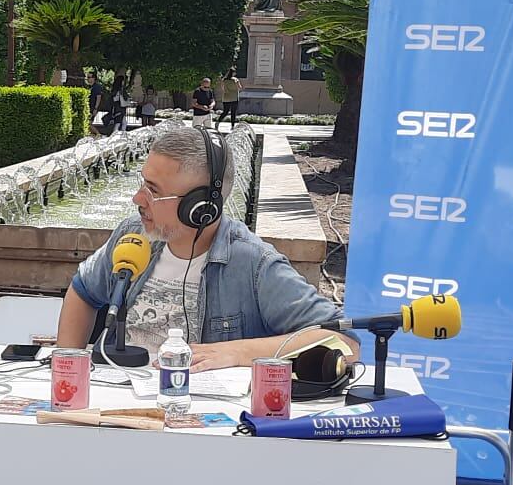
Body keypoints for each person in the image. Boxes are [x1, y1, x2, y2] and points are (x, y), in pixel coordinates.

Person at [56, 125, 348, 370]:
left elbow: (343, 341)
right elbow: (83, 291)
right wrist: (67, 369)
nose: (138, 199)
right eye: (143, 184)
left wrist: (236, 353)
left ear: (200, 207)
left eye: (153, 191)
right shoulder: (133, 234)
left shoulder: (254, 263)